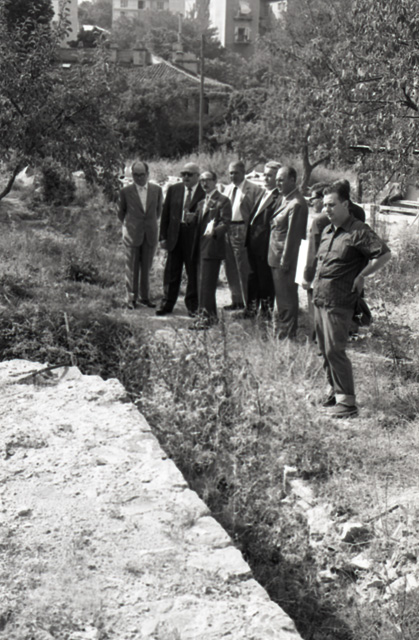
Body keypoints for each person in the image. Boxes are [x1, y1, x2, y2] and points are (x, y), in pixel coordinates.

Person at [311, 182, 391, 418]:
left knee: (335, 350)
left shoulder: (358, 230)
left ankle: (347, 403)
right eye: (325, 205)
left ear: (345, 204)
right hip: (321, 298)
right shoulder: (328, 231)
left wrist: (363, 275)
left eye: (332, 205)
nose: (327, 209)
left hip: (340, 300)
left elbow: (384, 254)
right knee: (323, 350)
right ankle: (333, 393)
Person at [156, 162, 205, 316]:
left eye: (189, 174)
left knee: (192, 272)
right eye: (183, 174)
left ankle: (192, 305)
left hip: (193, 237)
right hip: (175, 236)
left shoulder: (204, 191)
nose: (185, 177)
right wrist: (162, 237)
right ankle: (167, 303)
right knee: (171, 271)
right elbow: (165, 215)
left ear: (197, 176)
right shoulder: (174, 189)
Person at [237, 161, 282, 319]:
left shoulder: (279, 197)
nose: (265, 178)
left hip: (265, 246)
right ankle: (250, 310)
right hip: (253, 244)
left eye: (270, 175)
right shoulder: (263, 193)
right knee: (253, 278)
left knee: (266, 281)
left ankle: (266, 313)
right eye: (265, 175)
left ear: (278, 178)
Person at [268, 166, 308, 338]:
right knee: (282, 297)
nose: (278, 183)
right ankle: (284, 330)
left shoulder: (296, 203)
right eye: (277, 179)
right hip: (278, 256)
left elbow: (294, 236)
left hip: (286, 259)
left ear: (292, 180)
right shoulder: (286, 199)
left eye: (281, 180)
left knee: (287, 298)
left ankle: (287, 334)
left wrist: (285, 260)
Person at [118, 161, 162, 310]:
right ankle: (131, 299)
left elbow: (158, 211)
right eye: (135, 175)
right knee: (131, 268)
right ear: (132, 175)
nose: (139, 178)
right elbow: (120, 213)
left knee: (146, 268)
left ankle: (145, 297)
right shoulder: (125, 192)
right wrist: (131, 225)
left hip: (150, 233)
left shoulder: (157, 190)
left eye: (142, 175)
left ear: (147, 174)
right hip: (132, 234)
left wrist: (148, 224)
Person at [190, 170, 232, 329]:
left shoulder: (223, 201)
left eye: (207, 180)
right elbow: (199, 223)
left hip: (212, 247)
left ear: (215, 181)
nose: (204, 184)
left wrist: (215, 231)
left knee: (207, 285)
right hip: (199, 248)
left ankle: (205, 319)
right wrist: (191, 219)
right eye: (201, 181)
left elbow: (226, 223)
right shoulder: (201, 203)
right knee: (201, 284)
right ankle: (210, 317)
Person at [223, 161, 263, 311]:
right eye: (231, 173)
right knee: (230, 266)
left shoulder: (254, 189)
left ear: (243, 173)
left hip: (243, 229)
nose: (233, 176)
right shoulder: (227, 189)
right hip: (227, 229)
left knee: (243, 267)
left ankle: (249, 304)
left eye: (236, 173)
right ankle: (236, 300)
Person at [302, 183, 329, 338]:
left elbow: (313, 251)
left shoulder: (320, 220)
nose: (311, 203)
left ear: (322, 199)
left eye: (313, 199)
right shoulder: (350, 213)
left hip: (318, 269)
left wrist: (307, 276)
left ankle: (316, 335)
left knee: (314, 301)